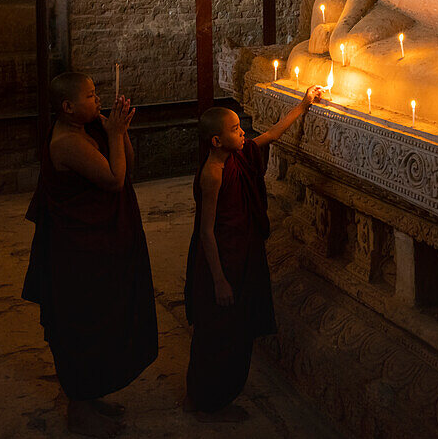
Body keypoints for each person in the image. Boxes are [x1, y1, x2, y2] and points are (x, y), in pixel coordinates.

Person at [22, 72, 158, 438]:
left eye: (97, 94)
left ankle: (91, 395)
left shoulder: (89, 127)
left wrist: (119, 130)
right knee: (83, 324)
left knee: (107, 317)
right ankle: (79, 409)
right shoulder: (66, 141)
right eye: (90, 96)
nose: (98, 101)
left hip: (101, 244)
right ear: (67, 107)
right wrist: (113, 134)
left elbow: (127, 168)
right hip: (78, 253)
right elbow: (113, 179)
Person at [185, 86, 323, 420]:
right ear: (216, 141)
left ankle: (221, 396)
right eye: (235, 129)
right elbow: (206, 230)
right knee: (219, 333)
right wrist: (219, 280)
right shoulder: (213, 174)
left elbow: (273, 133)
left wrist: (303, 104)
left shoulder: (241, 154)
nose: (242, 132)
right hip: (223, 260)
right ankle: (208, 401)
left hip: (244, 253)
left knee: (239, 329)